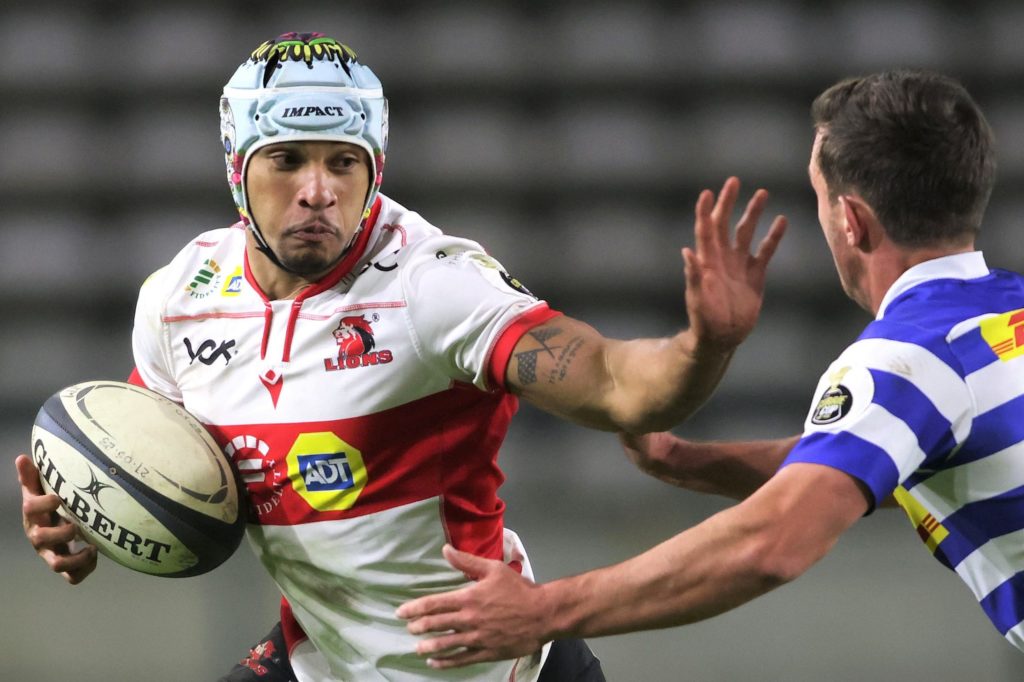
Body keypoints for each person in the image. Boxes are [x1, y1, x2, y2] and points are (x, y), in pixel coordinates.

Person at [15, 31, 786, 681]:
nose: (317, 190)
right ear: (236, 168)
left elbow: (618, 385)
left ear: (373, 169)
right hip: (318, 657)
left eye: (343, 163)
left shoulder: (430, 286)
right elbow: (150, 458)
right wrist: (85, 516)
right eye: (286, 159)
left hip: (487, 670)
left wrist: (703, 346)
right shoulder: (181, 294)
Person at [396, 69, 1024, 667]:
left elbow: (773, 541)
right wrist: (683, 461)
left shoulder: (910, 360)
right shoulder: (995, 329)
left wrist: (544, 611)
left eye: (819, 199)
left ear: (852, 221)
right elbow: (863, 459)